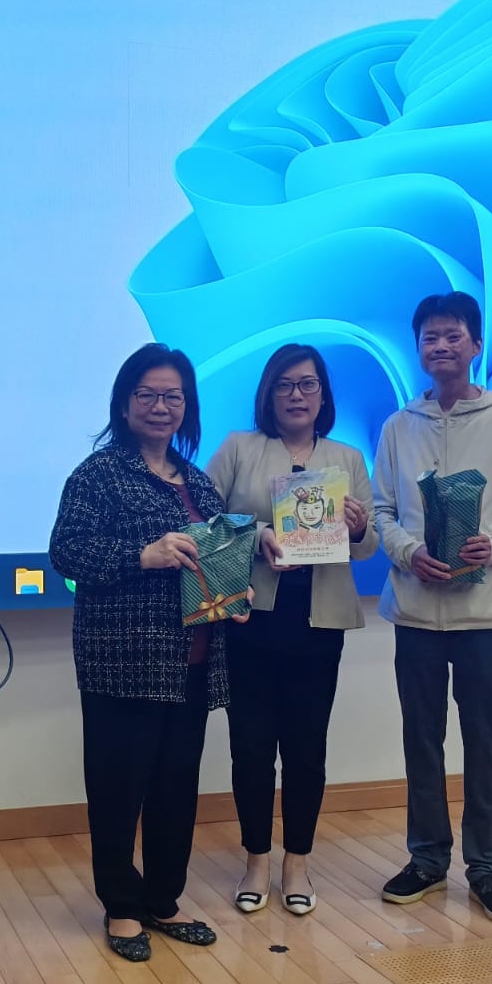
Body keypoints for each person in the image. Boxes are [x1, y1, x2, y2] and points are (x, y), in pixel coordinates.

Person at [49, 343, 239, 962]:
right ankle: (121, 906)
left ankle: (162, 898)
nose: (161, 406)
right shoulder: (97, 475)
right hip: (123, 664)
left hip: (193, 662)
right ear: (125, 403)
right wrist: (142, 554)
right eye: (148, 395)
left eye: (173, 396)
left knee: (176, 789)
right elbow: (66, 552)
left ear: (187, 406)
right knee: (117, 789)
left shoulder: (199, 481)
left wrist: (235, 587)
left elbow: (214, 558)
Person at [371, 292, 492, 926]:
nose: (441, 346)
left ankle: (486, 868)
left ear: (475, 344)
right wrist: (407, 552)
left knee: (487, 743)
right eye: (430, 337)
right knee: (421, 741)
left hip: (484, 616)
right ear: (418, 347)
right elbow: (382, 512)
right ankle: (426, 859)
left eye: (453, 335)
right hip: (416, 614)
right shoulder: (398, 427)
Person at [205, 344, 377, 917]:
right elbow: (203, 521)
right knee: (251, 748)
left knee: (307, 749)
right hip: (251, 619)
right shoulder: (238, 448)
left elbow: (368, 546)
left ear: (323, 394)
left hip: (319, 622)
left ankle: (297, 861)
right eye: (285, 384)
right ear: (268, 393)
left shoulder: (347, 457)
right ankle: (256, 859)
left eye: (307, 384)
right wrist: (256, 535)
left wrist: (358, 528)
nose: (296, 395)